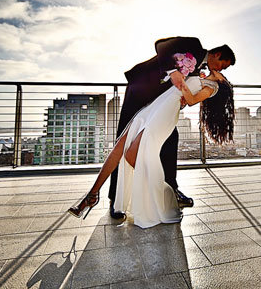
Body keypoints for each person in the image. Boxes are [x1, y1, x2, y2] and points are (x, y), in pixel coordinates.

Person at [68, 70, 234, 228]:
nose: (221, 70)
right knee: (120, 146)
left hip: (164, 114)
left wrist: (181, 82)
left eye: (223, 73)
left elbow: (191, 100)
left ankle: (160, 195)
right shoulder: (201, 75)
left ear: (223, 82)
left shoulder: (214, 87)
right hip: (154, 107)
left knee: (131, 155)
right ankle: (92, 195)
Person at [107, 37, 235, 219]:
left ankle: (171, 191)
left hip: (159, 104)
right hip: (141, 89)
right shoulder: (194, 45)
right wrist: (173, 71)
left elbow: (187, 89)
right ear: (217, 54)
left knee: (171, 138)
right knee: (124, 138)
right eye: (224, 64)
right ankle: (115, 199)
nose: (221, 69)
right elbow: (161, 45)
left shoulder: (201, 71)